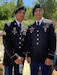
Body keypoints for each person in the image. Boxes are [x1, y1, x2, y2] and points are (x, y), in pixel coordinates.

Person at [23, 4, 56, 75]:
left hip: (46, 58)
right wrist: (28, 55)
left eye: (40, 10)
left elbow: (52, 41)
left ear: (43, 12)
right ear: (34, 13)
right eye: (36, 11)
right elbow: (29, 42)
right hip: (34, 59)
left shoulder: (49, 24)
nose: (38, 12)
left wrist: (50, 57)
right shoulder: (30, 26)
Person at [3, 6, 27, 75]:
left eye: (23, 13)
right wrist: (15, 57)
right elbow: (6, 42)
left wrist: (22, 56)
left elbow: (26, 43)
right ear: (16, 14)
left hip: (20, 59)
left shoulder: (25, 28)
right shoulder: (8, 25)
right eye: (20, 12)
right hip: (9, 57)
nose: (22, 14)